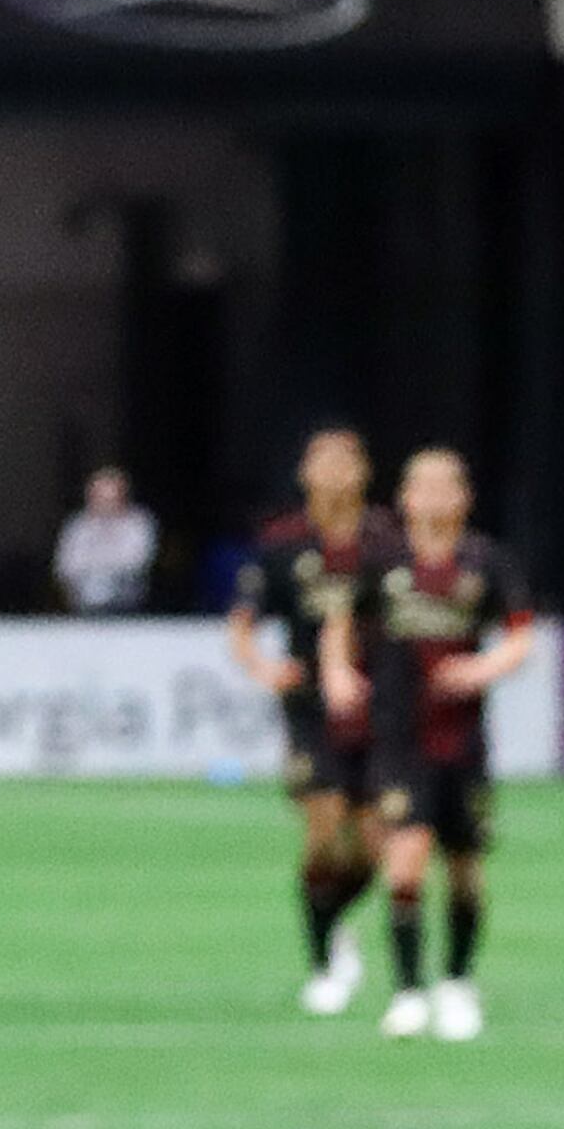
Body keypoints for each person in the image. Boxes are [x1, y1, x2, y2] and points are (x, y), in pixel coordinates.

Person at [321, 447, 537, 1045]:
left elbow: (521, 636)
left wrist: (483, 668)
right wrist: (337, 672)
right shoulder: (382, 563)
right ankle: (409, 992)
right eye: (425, 487)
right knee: (405, 864)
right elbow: (340, 623)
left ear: (464, 498)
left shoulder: (486, 562)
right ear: (406, 498)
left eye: (449, 487)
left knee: (466, 871)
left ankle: (458, 983)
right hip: (399, 740)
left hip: (464, 743)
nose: (437, 497)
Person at [227, 427, 393, 1018]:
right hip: (309, 712)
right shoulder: (282, 543)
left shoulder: (386, 541)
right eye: (322, 460)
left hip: (379, 709)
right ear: (304, 473)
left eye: (346, 460)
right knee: (323, 831)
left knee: (376, 846)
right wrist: (261, 667)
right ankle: (324, 963)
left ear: (364, 471)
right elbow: (242, 621)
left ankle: (337, 916)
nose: (334, 471)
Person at [51, 466, 156, 614]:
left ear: (122, 497)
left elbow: (137, 562)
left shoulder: (138, 523)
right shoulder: (77, 526)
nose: (106, 505)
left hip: (127, 606)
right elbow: (65, 566)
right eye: (100, 498)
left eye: (111, 499)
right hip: (82, 605)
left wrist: (98, 567)